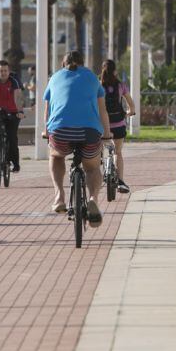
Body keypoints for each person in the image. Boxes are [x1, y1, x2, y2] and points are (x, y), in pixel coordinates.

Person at [45, 50, 111, 222]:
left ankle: (59, 196)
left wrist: (46, 131)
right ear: (83, 64)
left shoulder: (54, 78)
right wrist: (107, 134)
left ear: (63, 65)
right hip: (89, 132)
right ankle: (93, 199)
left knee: (55, 156)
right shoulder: (92, 78)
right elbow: (103, 110)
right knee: (92, 167)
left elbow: (48, 110)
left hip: (61, 131)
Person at [100, 59, 136, 194]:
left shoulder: (98, 86)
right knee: (118, 152)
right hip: (119, 125)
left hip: (102, 126)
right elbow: (131, 105)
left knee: (97, 151)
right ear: (115, 71)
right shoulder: (121, 86)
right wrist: (129, 113)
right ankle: (120, 181)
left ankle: (98, 172)